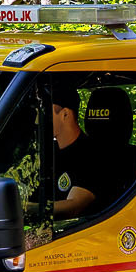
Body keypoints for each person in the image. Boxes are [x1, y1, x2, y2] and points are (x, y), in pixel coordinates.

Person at [49, 83, 119, 221]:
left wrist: (25, 209)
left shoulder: (95, 156)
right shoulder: (45, 152)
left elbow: (73, 207)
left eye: (46, 113)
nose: (37, 120)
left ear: (65, 114)